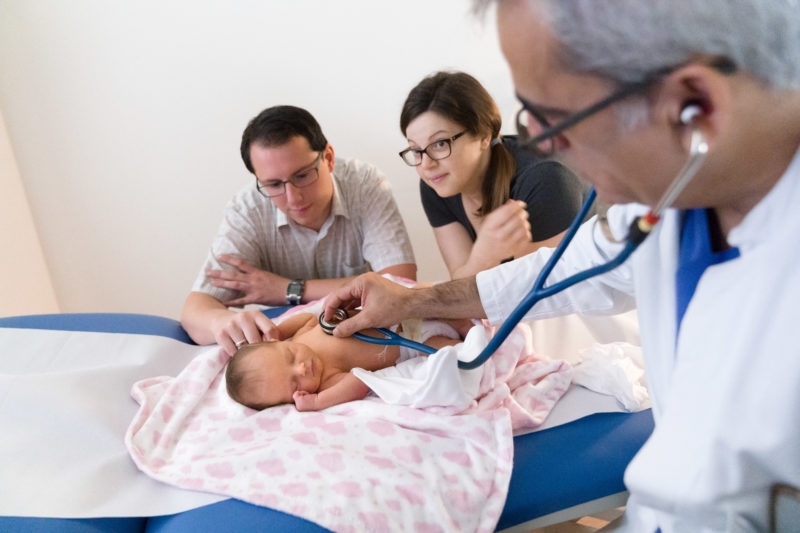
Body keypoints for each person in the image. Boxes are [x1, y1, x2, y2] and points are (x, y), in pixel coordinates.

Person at [323, 1, 800, 531]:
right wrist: (413, 300)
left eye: (557, 117)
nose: (543, 143)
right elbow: (555, 271)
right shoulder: (669, 204)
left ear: (695, 107)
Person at [181, 105, 417, 355]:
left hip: (364, 341)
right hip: (289, 353)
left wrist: (288, 289)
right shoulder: (247, 210)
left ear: (328, 158)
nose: (293, 198)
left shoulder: (364, 185)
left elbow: (399, 284)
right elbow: (195, 310)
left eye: (303, 175)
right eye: (273, 184)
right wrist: (223, 322)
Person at [399, 70, 593, 278]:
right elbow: (459, 285)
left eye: (440, 143)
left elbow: (535, 294)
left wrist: (484, 258)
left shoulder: (546, 181)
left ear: (484, 135)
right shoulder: (436, 183)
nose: (426, 164)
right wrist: (485, 256)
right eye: (416, 150)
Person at [225, 311, 470, 411]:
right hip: (413, 345)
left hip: (397, 314)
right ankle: (476, 339)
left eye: (290, 356)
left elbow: (308, 316)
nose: (301, 368)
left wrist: (277, 329)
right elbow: (356, 381)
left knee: (442, 305)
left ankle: (466, 321)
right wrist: (318, 401)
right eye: (295, 384)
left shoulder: (302, 334)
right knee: (453, 353)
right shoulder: (326, 380)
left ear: (277, 342)